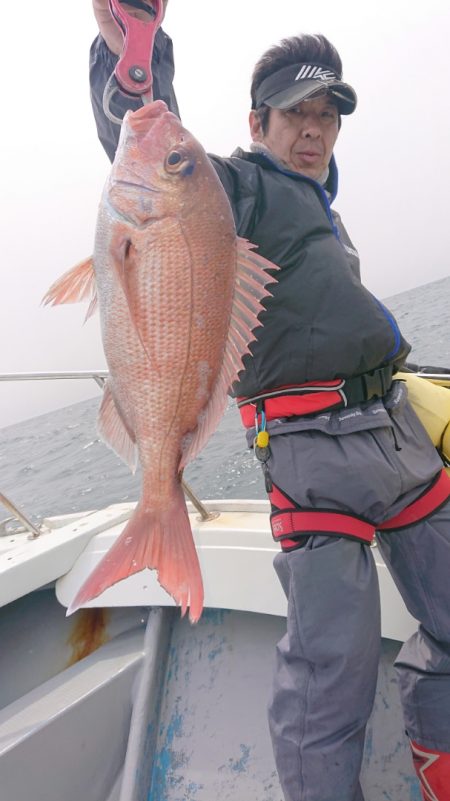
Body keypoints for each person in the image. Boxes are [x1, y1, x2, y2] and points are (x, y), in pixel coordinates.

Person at [89, 4, 450, 800]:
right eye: (297, 115)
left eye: (326, 117)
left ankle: (441, 758)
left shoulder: (318, 207)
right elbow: (157, 152)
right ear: (258, 122)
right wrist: (135, 54)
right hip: (314, 460)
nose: (314, 131)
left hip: (396, 437)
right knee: (331, 684)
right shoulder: (239, 187)